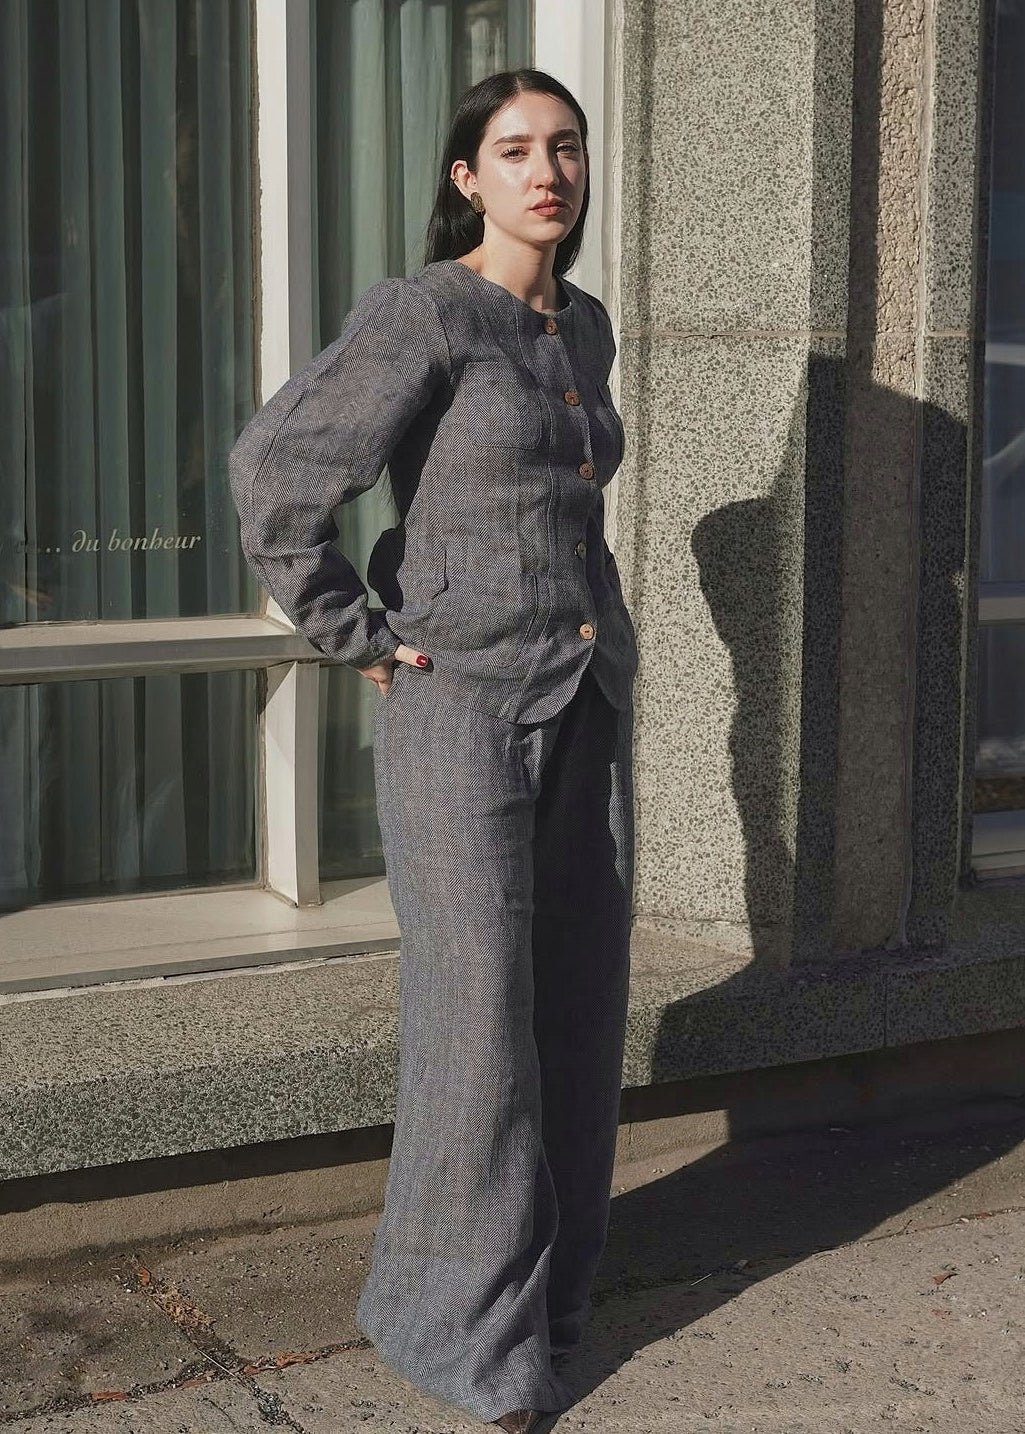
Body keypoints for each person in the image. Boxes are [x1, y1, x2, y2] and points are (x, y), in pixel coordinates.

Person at [228, 67, 639, 1434]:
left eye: (564, 146)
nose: (547, 172)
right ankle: (466, 1342)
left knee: (575, 1018)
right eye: (514, 150)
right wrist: (357, 631)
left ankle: (551, 1304)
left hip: (581, 703)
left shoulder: (581, 323)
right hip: (460, 713)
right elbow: (276, 471)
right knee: (481, 1041)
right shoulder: (427, 312)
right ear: (468, 175)